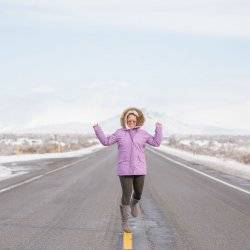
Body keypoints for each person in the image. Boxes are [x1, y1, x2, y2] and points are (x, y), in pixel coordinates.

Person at [93, 107, 163, 233]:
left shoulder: (143, 134)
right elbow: (106, 141)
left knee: (138, 193)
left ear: (137, 121)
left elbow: (156, 142)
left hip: (140, 168)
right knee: (126, 194)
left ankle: (134, 203)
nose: (131, 123)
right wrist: (97, 129)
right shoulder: (119, 133)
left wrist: (158, 128)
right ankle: (125, 222)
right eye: (129, 120)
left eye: (133, 121)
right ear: (125, 120)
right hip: (124, 169)